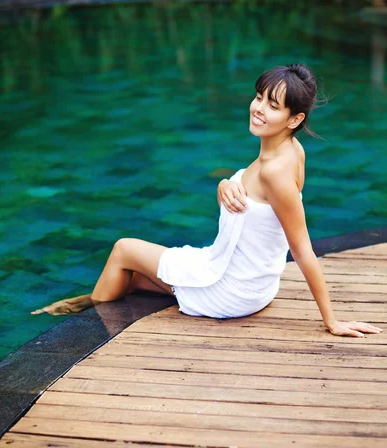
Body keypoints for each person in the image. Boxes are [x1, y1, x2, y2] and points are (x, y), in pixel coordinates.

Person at [32, 63, 383, 339]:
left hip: (234, 291)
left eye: (272, 105)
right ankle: (94, 300)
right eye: (259, 97)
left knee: (124, 249)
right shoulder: (292, 150)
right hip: (252, 281)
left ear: (295, 118)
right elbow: (258, 205)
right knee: (135, 273)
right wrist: (223, 187)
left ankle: (89, 319)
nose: (258, 108)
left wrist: (331, 320)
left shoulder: (276, 171)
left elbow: (303, 248)